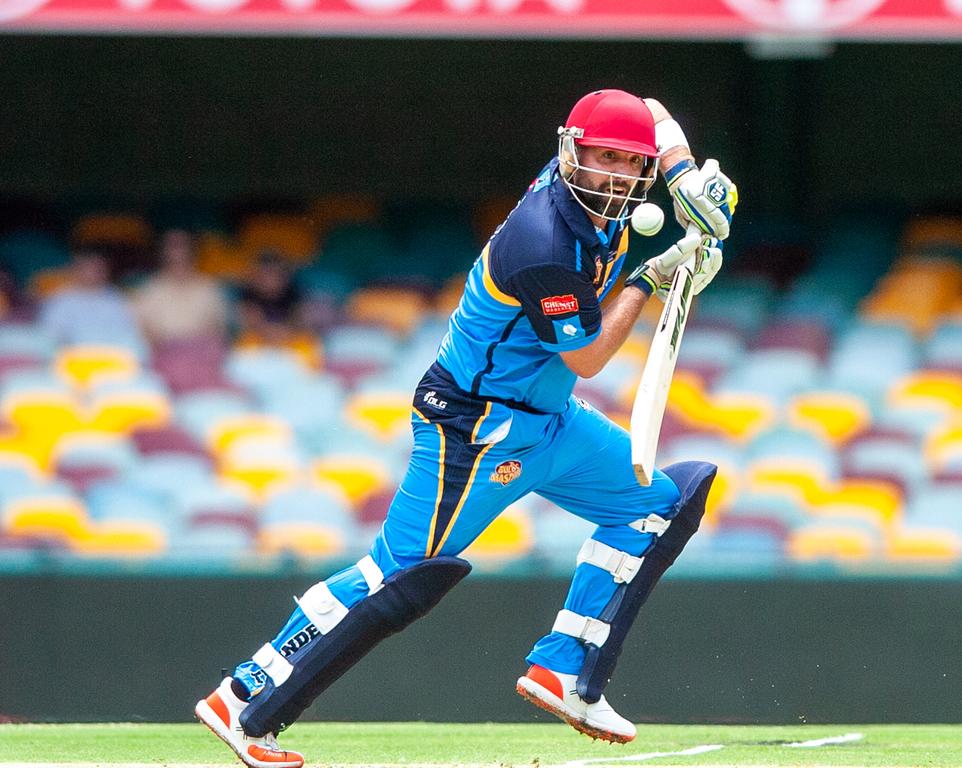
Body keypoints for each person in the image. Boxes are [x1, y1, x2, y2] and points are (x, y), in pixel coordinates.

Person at [195, 89, 738, 768]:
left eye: (632, 164)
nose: (617, 175)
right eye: (603, 158)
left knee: (657, 506)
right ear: (571, 151)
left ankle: (563, 670)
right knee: (400, 576)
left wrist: (684, 174)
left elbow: (653, 110)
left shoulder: (613, 189)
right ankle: (243, 698)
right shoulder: (542, 242)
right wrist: (655, 277)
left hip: (549, 422)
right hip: (474, 430)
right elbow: (590, 358)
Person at [133, 229, 230, 345]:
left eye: (181, 243)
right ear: (163, 250)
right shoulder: (149, 289)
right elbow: (142, 330)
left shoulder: (209, 287)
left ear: (191, 248)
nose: (177, 248)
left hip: (202, 352)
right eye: (172, 244)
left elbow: (219, 329)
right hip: (163, 354)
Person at [38, 247, 145, 349]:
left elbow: (128, 334)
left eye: (97, 268)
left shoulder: (117, 299)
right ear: (76, 270)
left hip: (111, 357)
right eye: (87, 268)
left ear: (105, 271)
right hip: (72, 358)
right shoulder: (60, 299)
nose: (91, 273)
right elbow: (51, 337)